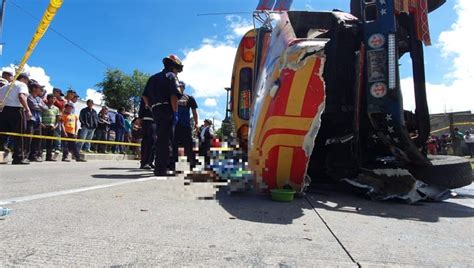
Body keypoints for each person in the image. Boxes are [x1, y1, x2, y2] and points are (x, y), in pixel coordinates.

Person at [142, 54, 183, 176]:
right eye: (177, 69)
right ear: (174, 67)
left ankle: (159, 169)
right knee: (168, 140)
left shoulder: (153, 78)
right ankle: (166, 168)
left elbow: (144, 96)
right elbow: (174, 95)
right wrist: (175, 112)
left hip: (155, 111)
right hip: (167, 109)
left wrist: (151, 107)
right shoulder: (171, 76)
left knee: (160, 139)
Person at [0, 73, 32, 165]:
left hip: (4, 111)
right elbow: (21, 96)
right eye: (27, 80)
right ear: (23, 79)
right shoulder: (21, 85)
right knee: (20, 135)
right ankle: (18, 157)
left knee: (3, 134)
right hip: (17, 110)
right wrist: (27, 110)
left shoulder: (6, 86)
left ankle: (1, 152)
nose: (27, 82)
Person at [172, 81, 198, 171]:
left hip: (185, 125)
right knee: (173, 145)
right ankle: (172, 166)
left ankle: (192, 164)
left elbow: (194, 111)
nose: (179, 88)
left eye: (181, 86)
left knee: (188, 146)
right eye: (177, 86)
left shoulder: (189, 98)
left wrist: (196, 123)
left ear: (183, 87)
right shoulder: (173, 97)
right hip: (174, 125)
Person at [25, 81, 46, 162]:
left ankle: (33, 156)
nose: (41, 90)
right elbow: (33, 106)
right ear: (34, 88)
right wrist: (39, 107)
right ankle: (25, 155)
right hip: (30, 120)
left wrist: (39, 107)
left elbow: (44, 108)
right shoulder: (28, 97)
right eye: (39, 88)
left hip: (38, 121)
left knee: (37, 139)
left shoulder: (39, 99)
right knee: (28, 139)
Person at [41, 94, 60, 161]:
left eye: (54, 99)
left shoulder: (56, 108)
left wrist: (55, 126)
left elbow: (57, 118)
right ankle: (39, 155)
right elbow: (40, 116)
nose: (53, 100)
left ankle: (48, 157)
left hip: (52, 127)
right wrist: (41, 124)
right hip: (44, 126)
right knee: (42, 142)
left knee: (50, 143)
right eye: (51, 98)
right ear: (48, 99)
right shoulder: (43, 107)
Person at [138, 98, 156, 169]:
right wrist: (140, 118)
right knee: (149, 141)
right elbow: (142, 108)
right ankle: (145, 162)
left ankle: (148, 162)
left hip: (152, 121)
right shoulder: (147, 97)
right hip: (147, 120)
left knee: (150, 142)